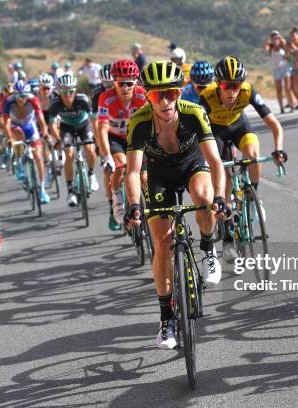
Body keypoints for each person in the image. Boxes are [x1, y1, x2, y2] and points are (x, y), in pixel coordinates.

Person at [125, 60, 228, 349]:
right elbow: (133, 172)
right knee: (162, 243)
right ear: (148, 96)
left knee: (204, 200)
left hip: (191, 164)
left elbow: (216, 161)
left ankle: (208, 248)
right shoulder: (139, 121)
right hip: (159, 172)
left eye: (171, 93)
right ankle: (166, 319)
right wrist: (134, 205)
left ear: (179, 93)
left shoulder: (194, 113)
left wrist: (220, 198)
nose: (166, 100)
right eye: (159, 95)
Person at [198, 56, 286, 249]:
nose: (231, 91)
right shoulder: (207, 96)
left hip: (239, 127)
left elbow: (275, 125)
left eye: (236, 86)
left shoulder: (248, 91)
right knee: (224, 176)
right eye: (226, 86)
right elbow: (198, 130)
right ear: (218, 84)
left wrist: (278, 149)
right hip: (216, 132)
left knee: (254, 157)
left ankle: (253, 197)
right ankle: (229, 231)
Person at [96, 59, 147, 230]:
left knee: (145, 177)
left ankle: (150, 206)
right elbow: (102, 129)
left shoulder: (141, 94)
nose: (125, 87)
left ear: (136, 82)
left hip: (136, 137)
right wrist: (106, 156)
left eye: (129, 83)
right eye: (120, 83)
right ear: (113, 82)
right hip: (115, 138)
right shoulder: (106, 97)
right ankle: (117, 201)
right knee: (120, 166)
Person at [48, 73, 99, 207]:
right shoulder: (55, 104)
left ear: (75, 90)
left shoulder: (83, 100)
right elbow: (52, 124)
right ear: (59, 91)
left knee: (89, 148)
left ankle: (91, 173)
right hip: (66, 128)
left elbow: (94, 120)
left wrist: (97, 138)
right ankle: (70, 191)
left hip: (83, 125)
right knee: (69, 155)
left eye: (71, 91)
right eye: (64, 91)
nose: (68, 94)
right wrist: (58, 140)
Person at [2, 80, 51, 204]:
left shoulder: (33, 100)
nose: (21, 99)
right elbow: (6, 124)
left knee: (38, 157)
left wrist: (44, 132)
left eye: (24, 96)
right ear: (15, 95)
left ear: (27, 95)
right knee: (18, 135)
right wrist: (9, 138)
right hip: (15, 126)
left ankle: (43, 189)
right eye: (18, 96)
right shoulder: (8, 102)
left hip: (30, 126)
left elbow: (41, 120)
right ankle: (19, 162)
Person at [265, 30, 297, 114]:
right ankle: (281, 107)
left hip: (285, 67)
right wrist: (269, 42)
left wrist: (282, 40)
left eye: (277, 36)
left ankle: (292, 105)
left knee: (287, 87)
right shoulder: (270, 46)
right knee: (278, 89)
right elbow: (266, 48)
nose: (275, 38)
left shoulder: (283, 45)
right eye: (273, 37)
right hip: (276, 69)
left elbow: (295, 49)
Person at [287, 27, 298, 110]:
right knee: (292, 87)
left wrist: (294, 48)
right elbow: (289, 57)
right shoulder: (290, 45)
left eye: (294, 36)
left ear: (297, 36)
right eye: (291, 36)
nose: (292, 38)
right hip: (292, 67)